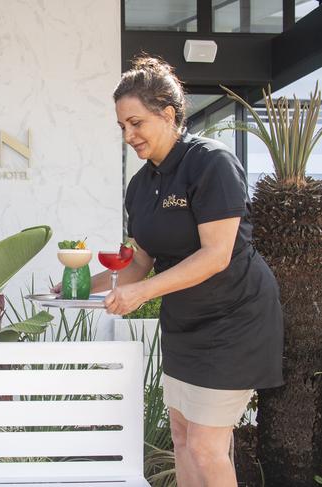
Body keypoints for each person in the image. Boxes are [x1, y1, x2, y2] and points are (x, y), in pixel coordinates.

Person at [89, 57, 283, 486]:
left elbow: (216, 255)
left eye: (136, 123)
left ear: (169, 114)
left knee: (204, 446)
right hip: (186, 323)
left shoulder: (211, 163)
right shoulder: (139, 186)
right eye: (122, 127)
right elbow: (139, 261)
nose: (129, 135)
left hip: (235, 319)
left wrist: (142, 295)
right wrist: (79, 285)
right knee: (181, 437)